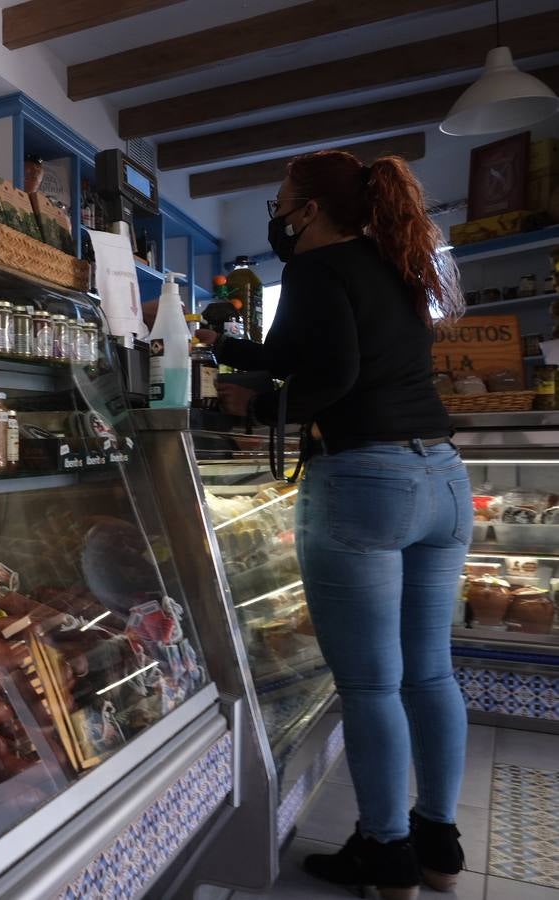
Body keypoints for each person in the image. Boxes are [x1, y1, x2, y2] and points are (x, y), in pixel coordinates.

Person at [200, 150, 470, 900]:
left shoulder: (319, 270)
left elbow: (333, 377)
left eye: (283, 199)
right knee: (430, 672)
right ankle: (438, 847)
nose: (278, 213)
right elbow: (296, 354)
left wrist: (249, 404)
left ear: (309, 209)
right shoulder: (392, 266)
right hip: (442, 478)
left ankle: (384, 857)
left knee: (373, 686)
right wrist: (225, 348)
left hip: (369, 481)